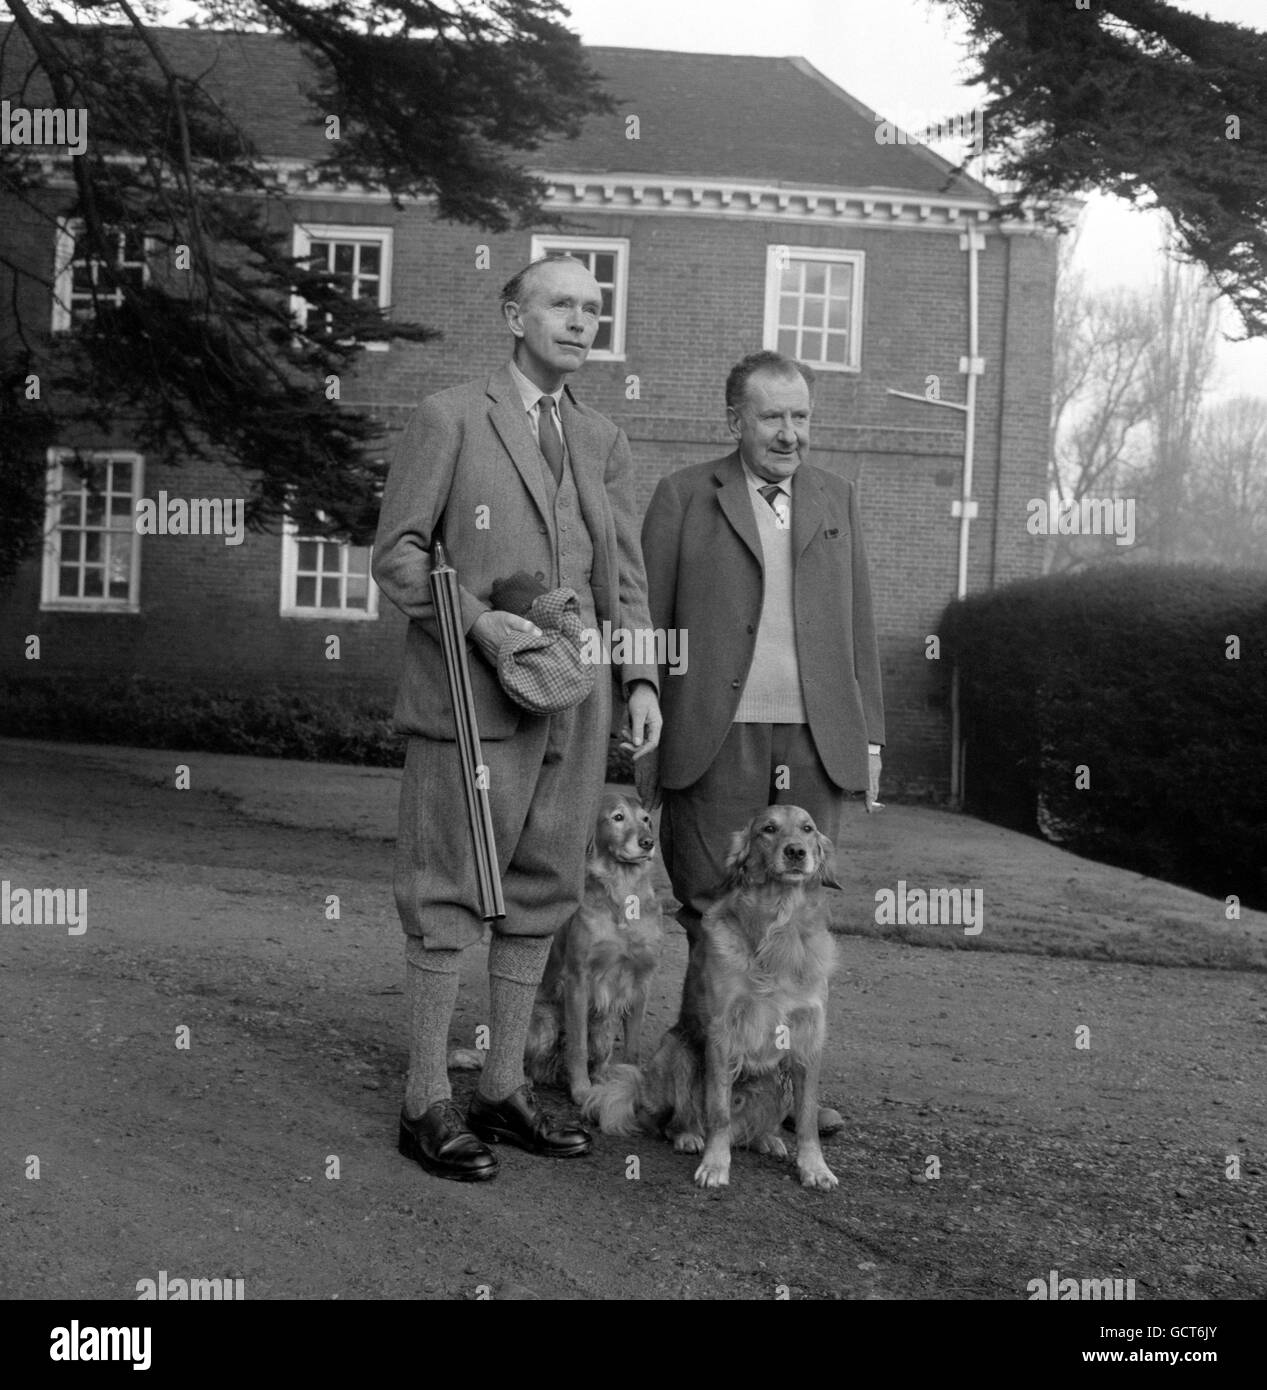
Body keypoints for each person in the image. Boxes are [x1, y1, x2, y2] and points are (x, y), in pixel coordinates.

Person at [373, 255, 661, 1182]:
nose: (579, 322)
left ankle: (501, 1087)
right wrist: (478, 622)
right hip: (471, 701)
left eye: (591, 308)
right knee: (448, 893)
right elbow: (399, 555)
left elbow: (622, 579)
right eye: (559, 305)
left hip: (576, 705)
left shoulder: (602, 439)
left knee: (540, 892)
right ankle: (425, 1099)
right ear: (513, 313)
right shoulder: (450, 416)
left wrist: (644, 681)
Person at [640, 350, 884, 1128]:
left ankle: (782, 1086)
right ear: (735, 421)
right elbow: (647, 617)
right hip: (714, 734)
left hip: (816, 734)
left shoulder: (837, 497)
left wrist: (870, 737)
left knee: (799, 906)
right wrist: (640, 697)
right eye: (773, 416)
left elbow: (859, 628)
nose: (790, 433)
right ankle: (699, 1085)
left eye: (801, 416)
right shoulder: (682, 495)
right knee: (713, 908)